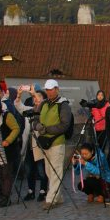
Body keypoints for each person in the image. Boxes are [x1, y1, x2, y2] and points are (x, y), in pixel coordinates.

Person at [31, 79, 72, 209]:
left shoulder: (63, 104)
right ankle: (58, 196)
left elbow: (65, 125)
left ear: (57, 89)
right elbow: (35, 119)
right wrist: (38, 126)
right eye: (47, 90)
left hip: (57, 141)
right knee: (49, 171)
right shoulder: (43, 104)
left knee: (56, 170)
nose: (49, 92)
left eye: (51, 89)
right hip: (45, 142)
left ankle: (51, 199)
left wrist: (46, 129)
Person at [20, 89, 48, 202]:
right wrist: (18, 96)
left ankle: (43, 191)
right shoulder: (30, 110)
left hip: (39, 144)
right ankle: (31, 191)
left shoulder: (45, 110)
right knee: (29, 169)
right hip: (28, 144)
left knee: (41, 170)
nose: (36, 99)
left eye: (38, 97)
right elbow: (19, 107)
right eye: (34, 98)